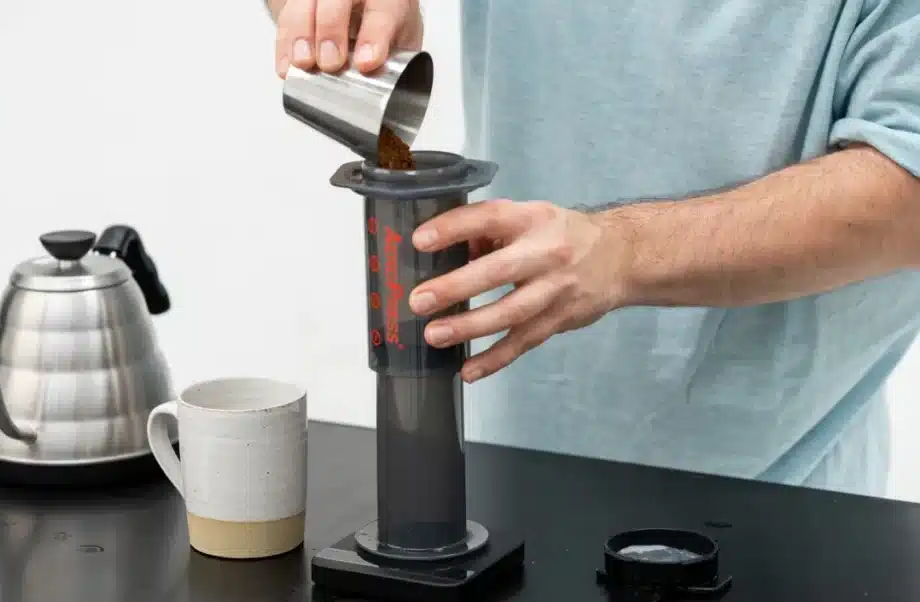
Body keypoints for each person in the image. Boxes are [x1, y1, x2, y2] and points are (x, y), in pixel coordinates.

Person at [266, 0, 920, 497]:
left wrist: (623, 251)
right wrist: (326, 17)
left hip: (780, 506)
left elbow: (907, 181)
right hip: (508, 480)